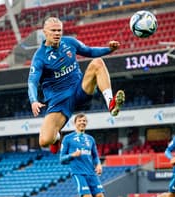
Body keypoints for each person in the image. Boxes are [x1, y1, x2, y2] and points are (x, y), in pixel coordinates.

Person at [27, 17, 125, 153]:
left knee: (97, 62)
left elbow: (90, 51)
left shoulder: (69, 42)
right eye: (53, 30)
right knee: (44, 141)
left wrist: (109, 49)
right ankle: (56, 137)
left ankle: (111, 104)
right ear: (45, 32)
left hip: (79, 89)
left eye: (59, 30)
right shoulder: (40, 57)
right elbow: (32, 81)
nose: (57, 33)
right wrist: (33, 101)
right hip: (59, 101)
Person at [61, 113, 105, 197]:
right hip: (78, 173)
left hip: (91, 173)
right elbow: (61, 159)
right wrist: (72, 155)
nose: (82, 122)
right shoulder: (68, 139)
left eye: (84, 121)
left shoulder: (90, 139)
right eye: (80, 120)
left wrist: (99, 164)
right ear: (75, 123)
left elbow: (95, 156)